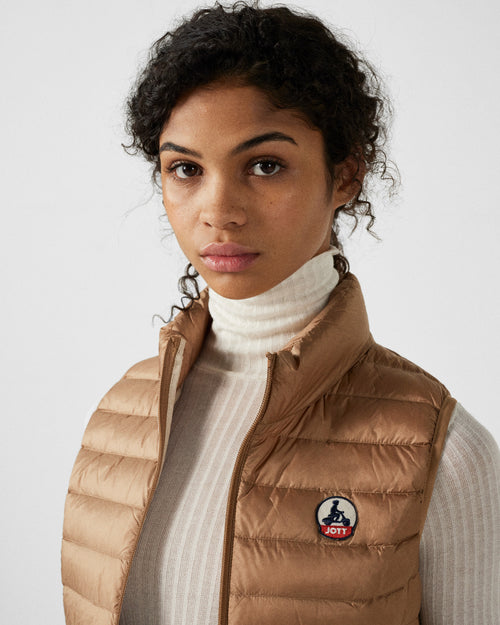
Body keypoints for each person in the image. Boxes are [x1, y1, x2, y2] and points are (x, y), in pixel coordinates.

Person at [60, 3, 500, 624]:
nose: (219, 211)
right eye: (186, 169)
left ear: (346, 175)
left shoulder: (441, 451)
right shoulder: (117, 423)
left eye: (265, 166)